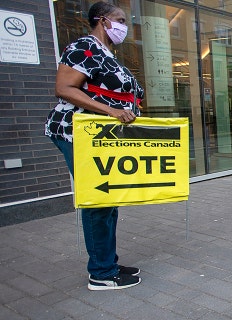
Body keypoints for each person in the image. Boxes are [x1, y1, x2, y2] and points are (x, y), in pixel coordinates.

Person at [45, 1, 143, 290]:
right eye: (121, 20)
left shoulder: (106, 53)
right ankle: (100, 273)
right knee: (99, 201)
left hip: (100, 139)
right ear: (102, 20)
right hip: (78, 134)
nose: (125, 26)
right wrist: (112, 111)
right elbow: (64, 88)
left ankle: (107, 261)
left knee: (108, 202)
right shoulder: (84, 47)